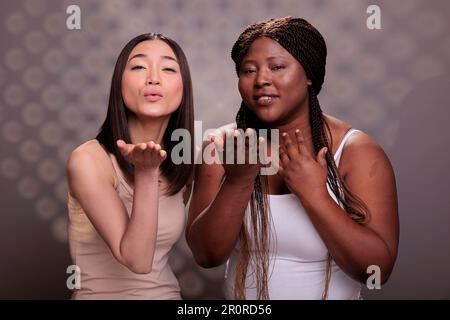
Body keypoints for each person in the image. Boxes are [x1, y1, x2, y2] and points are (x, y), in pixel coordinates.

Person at [186, 17, 399, 300]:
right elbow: (207, 254)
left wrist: (315, 195)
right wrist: (237, 182)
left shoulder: (356, 151)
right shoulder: (222, 146)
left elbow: (376, 271)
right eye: (248, 70)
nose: (261, 80)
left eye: (277, 67)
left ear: (309, 74)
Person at [66, 33, 194, 299]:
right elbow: (137, 260)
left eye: (168, 68)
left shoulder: (182, 163)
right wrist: (146, 173)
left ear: (184, 87)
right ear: (119, 83)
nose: (153, 78)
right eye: (138, 66)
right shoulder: (89, 160)